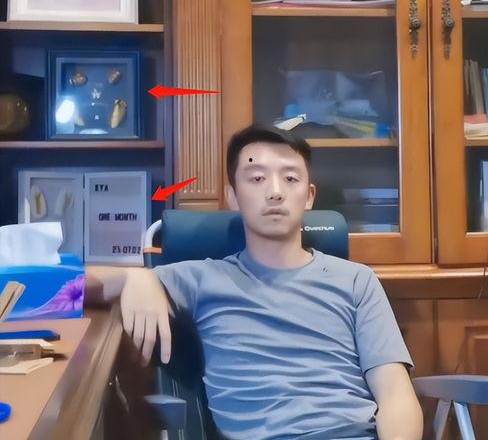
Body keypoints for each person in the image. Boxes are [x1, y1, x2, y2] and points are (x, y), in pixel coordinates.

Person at [86, 124, 423, 440]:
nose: (275, 192)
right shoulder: (201, 279)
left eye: (290, 178)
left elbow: (395, 393)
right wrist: (135, 276)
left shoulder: (357, 281)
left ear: (309, 196)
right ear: (233, 197)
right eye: (257, 178)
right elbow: (65, 291)